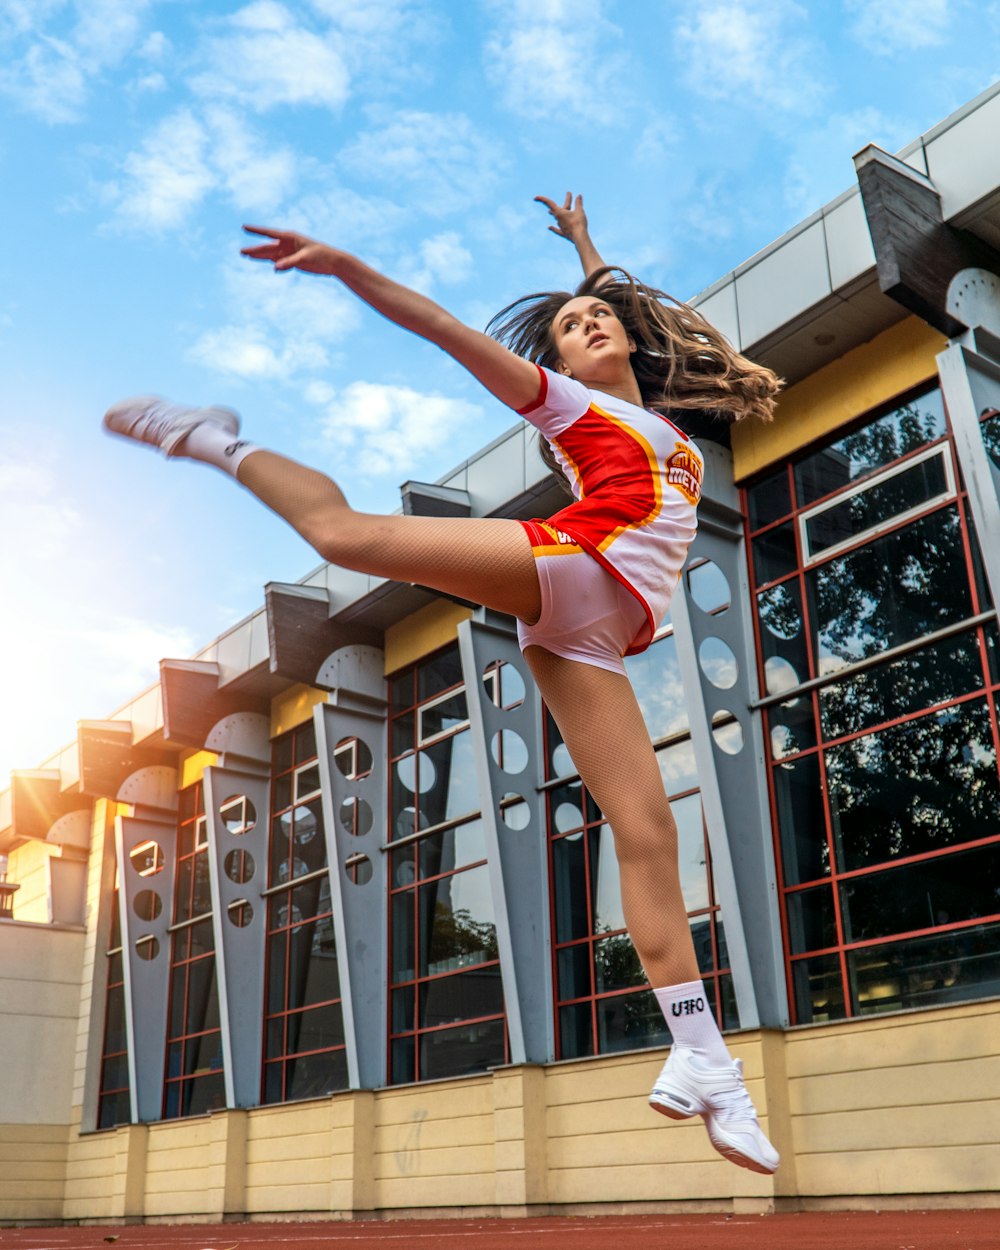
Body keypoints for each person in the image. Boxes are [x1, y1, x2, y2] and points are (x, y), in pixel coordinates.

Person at [103, 193, 782, 1175]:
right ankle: (207, 436)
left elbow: (606, 294)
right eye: (564, 329)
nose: (584, 325)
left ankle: (705, 1056)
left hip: (594, 633)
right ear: (556, 366)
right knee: (348, 536)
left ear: (627, 332)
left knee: (647, 833)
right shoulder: (574, 408)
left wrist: (589, 249)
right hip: (575, 562)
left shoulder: (657, 417)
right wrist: (349, 268)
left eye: (594, 317)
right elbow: (445, 329)